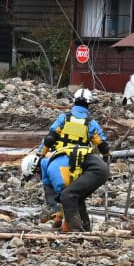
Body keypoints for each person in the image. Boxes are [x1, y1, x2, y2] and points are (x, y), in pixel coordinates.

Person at [36, 88, 110, 232]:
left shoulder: (63, 118)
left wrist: (39, 155)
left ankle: (57, 213)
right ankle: (80, 227)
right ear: (89, 105)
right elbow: (103, 146)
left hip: (60, 159)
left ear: (74, 102)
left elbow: (50, 138)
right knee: (75, 194)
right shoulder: (91, 124)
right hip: (81, 163)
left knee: (64, 192)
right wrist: (107, 163)